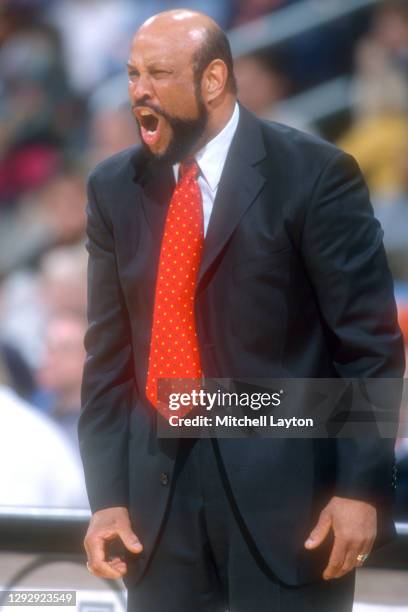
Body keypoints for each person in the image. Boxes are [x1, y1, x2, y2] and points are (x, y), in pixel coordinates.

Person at [78, 10, 405, 612]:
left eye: (158, 73)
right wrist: (106, 498)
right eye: (131, 75)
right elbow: (108, 358)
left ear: (213, 79)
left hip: (291, 509)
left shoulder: (313, 175)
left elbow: (370, 347)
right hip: (156, 510)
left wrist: (360, 490)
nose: (139, 90)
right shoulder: (112, 188)